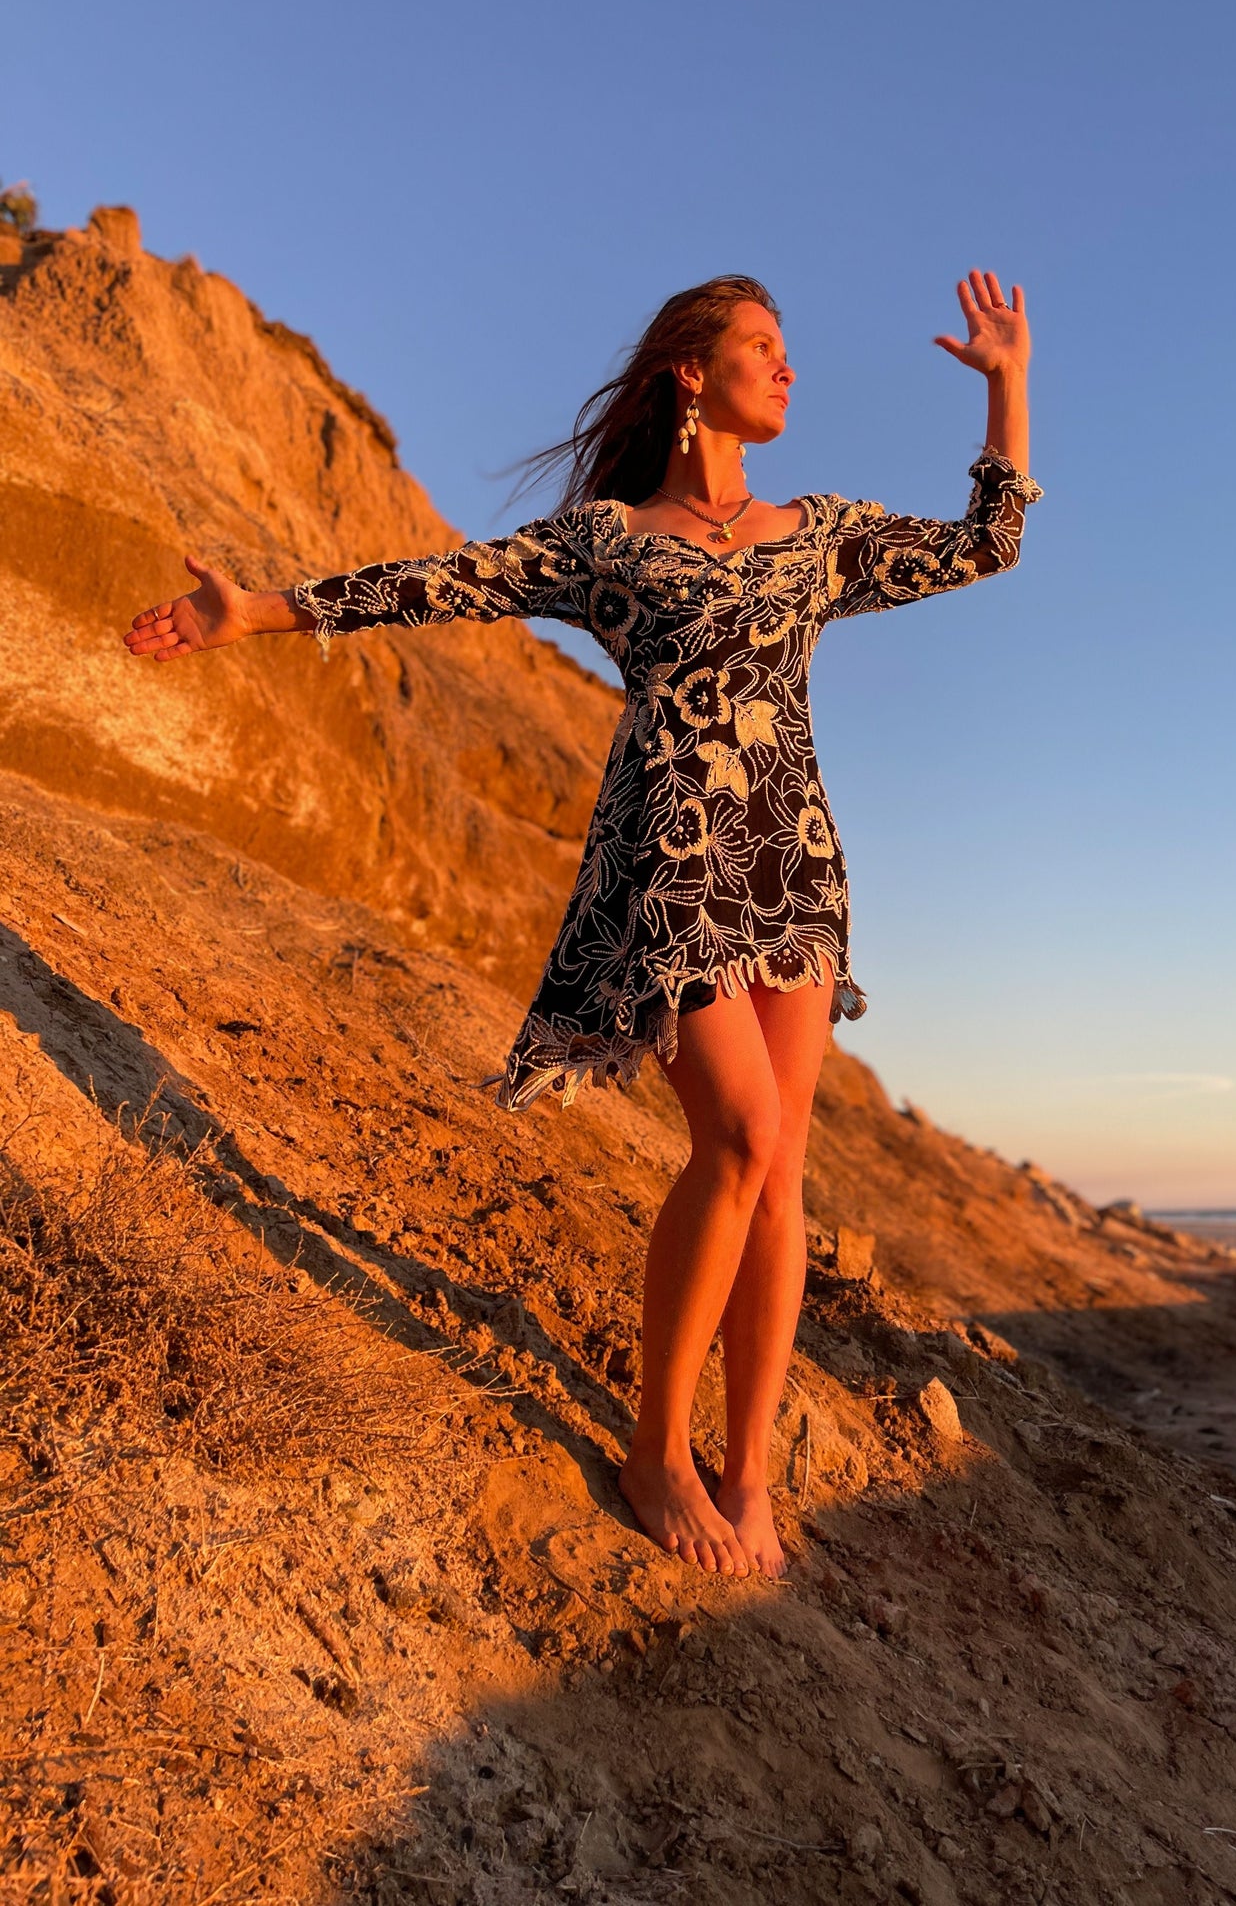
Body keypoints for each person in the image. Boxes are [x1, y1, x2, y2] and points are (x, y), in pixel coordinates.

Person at [124, 269, 1041, 1581]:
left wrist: (1005, 384)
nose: (788, 371)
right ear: (691, 370)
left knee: (780, 1173)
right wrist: (257, 611)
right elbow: (445, 582)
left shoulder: (818, 529)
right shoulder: (609, 541)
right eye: (763, 349)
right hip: (666, 863)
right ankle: (655, 1449)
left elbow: (984, 545)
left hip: (793, 872)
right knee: (733, 1134)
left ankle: (747, 1473)